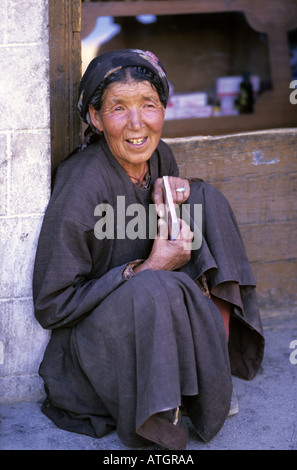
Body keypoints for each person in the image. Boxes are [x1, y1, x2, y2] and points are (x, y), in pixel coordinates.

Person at [33, 49, 265, 450]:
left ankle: (212, 373)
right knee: (156, 286)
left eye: (148, 105)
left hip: (151, 322)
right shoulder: (82, 186)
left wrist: (184, 189)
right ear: (95, 118)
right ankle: (163, 408)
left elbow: (184, 217)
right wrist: (149, 268)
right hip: (95, 351)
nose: (136, 123)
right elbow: (52, 306)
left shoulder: (159, 157)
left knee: (206, 199)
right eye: (118, 108)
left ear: (163, 109)